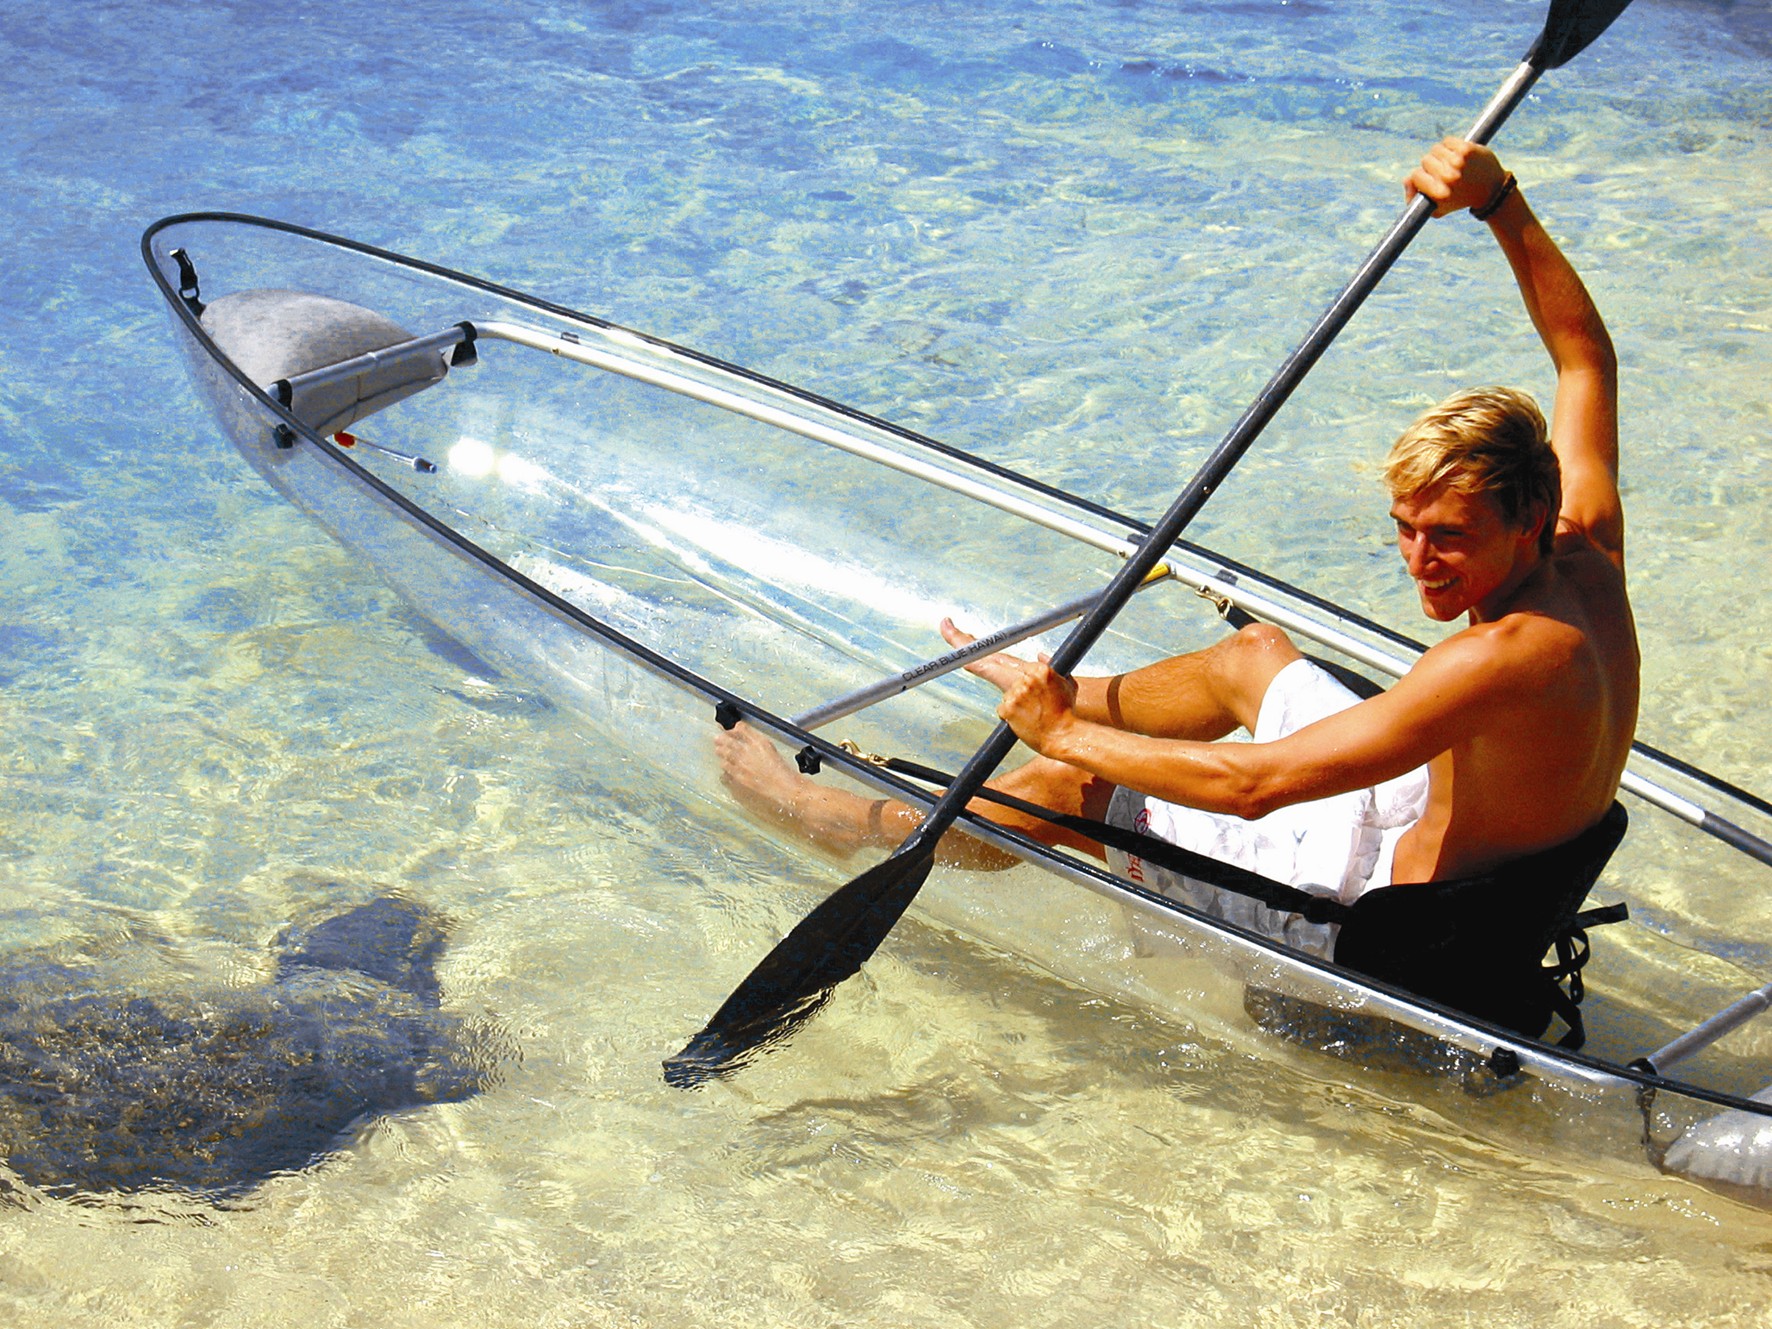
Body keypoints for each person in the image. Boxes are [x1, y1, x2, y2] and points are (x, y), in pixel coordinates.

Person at [716, 137, 1639, 955]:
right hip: (1434, 849)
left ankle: (829, 814)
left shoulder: (1499, 657)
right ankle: (1069, 691)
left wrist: (1065, 736)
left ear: (1524, 517)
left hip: (1381, 930)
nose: (1418, 560)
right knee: (1253, 655)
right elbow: (1583, 355)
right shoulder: (1583, 544)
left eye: (1449, 538)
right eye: (1404, 528)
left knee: (1074, 786)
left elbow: (1255, 789)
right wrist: (1497, 200)